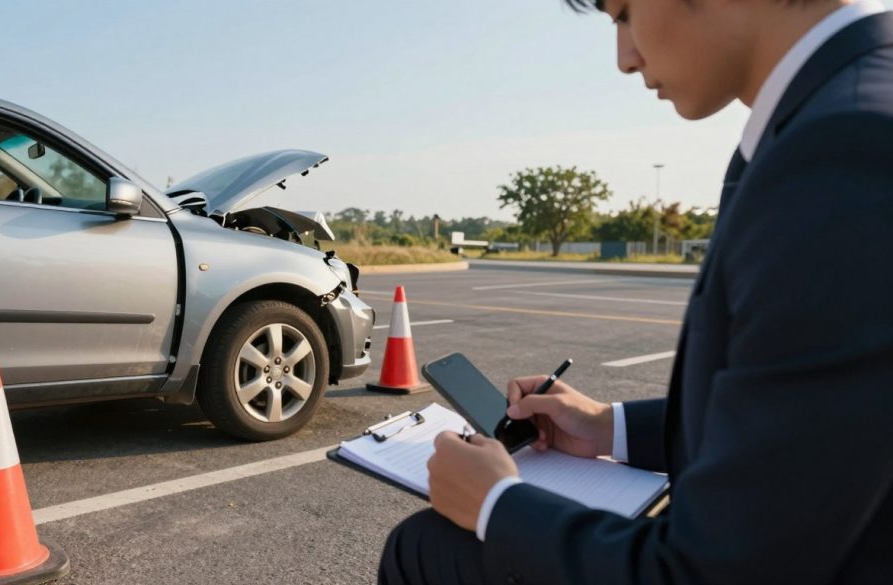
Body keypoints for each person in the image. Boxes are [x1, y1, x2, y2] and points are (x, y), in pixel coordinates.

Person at [378, 0, 893, 581]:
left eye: (623, 13)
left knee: (424, 549)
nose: (624, 57)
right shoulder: (838, 111)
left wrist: (496, 504)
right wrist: (608, 426)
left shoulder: (843, 150)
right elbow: (800, 432)